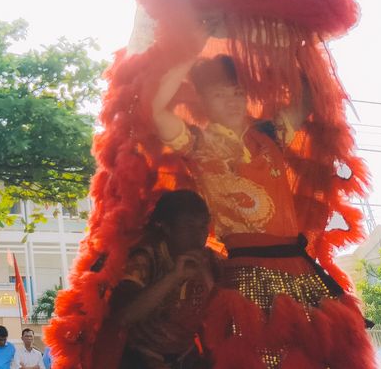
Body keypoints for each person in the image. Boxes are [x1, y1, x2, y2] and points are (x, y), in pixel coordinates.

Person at [152, 37, 369, 365]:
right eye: (219, 94)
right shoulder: (196, 144)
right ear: (203, 101)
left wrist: (296, 44)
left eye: (237, 92)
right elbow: (156, 109)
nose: (231, 101)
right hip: (244, 272)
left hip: (298, 267)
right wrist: (191, 46)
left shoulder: (270, 134)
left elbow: (308, 94)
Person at [107, 190, 216, 369]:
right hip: (140, 359)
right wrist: (173, 277)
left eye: (203, 226)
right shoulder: (144, 259)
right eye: (189, 226)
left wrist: (206, 276)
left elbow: (222, 317)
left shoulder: (211, 262)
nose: (199, 234)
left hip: (188, 358)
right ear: (166, 227)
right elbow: (123, 316)